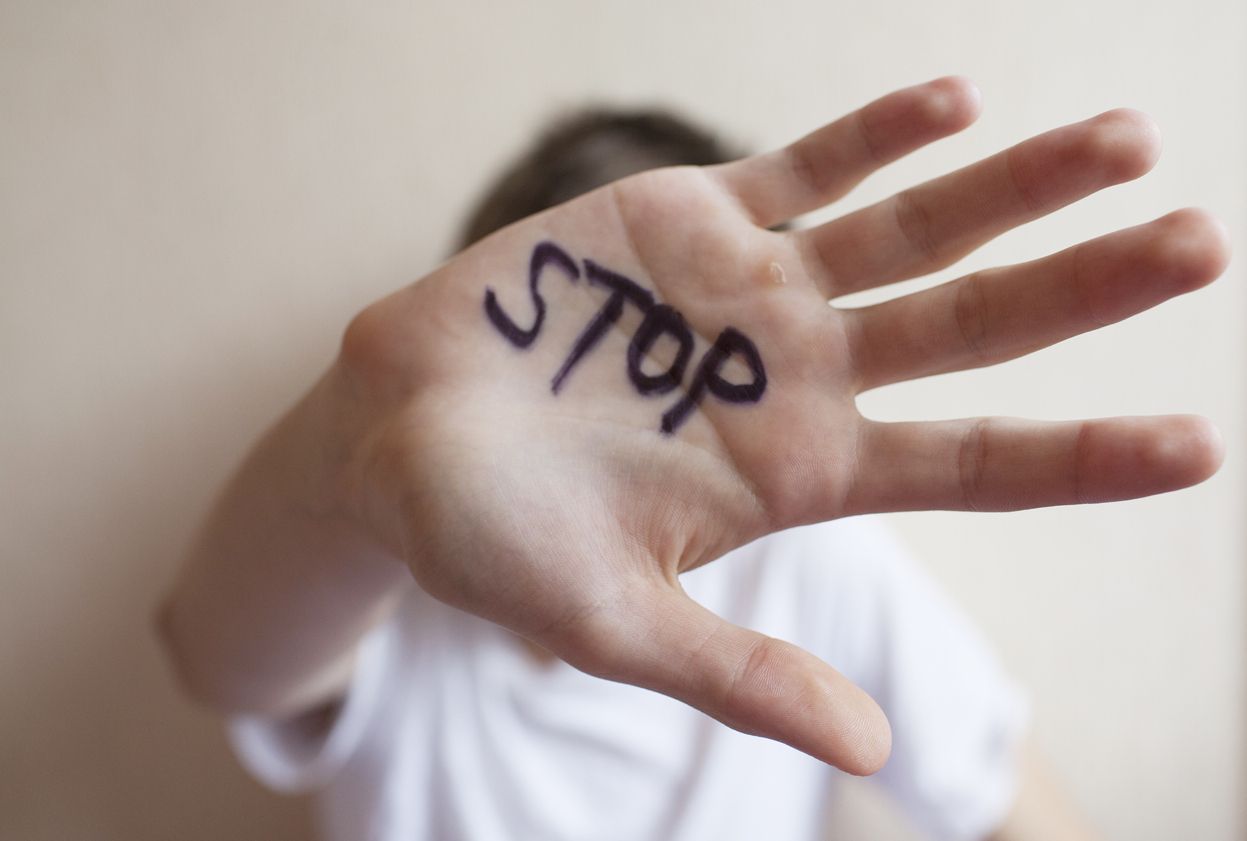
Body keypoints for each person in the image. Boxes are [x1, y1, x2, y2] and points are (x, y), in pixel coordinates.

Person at [155, 77, 1228, 840]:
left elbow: (1015, 810)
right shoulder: (390, 585)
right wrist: (355, 436)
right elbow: (211, 651)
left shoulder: (815, 571)